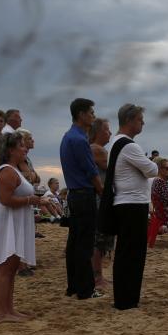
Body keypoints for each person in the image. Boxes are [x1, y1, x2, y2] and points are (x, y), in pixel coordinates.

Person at [0, 132, 51, 321]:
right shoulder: (6, 171)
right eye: (21, 146)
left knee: (11, 268)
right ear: (11, 150)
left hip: (14, 221)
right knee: (5, 269)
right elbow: (6, 200)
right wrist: (32, 200)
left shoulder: (14, 169)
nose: (26, 148)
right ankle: (2, 312)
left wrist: (36, 200)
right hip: (7, 223)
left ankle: (9, 309)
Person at [108, 104, 159, 310]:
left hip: (125, 202)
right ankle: (127, 299)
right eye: (139, 119)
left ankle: (125, 297)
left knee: (125, 252)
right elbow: (152, 169)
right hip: (132, 204)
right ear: (129, 120)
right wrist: (149, 162)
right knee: (133, 254)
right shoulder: (129, 146)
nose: (143, 123)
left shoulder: (115, 143)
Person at [59, 98, 104, 300]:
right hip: (84, 195)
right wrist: (102, 190)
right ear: (81, 114)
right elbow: (91, 171)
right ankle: (86, 289)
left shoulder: (68, 137)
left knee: (75, 243)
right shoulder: (79, 140)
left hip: (74, 195)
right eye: (91, 112)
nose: (93, 116)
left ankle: (74, 286)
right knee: (85, 244)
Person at [89, 117, 114, 289]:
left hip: (100, 197)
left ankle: (98, 276)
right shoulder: (96, 149)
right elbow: (113, 168)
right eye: (107, 130)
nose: (110, 133)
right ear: (98, 132)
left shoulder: (95, 149)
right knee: (98, 240)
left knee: (100, 240)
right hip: (99, 199)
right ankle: (97, 277)